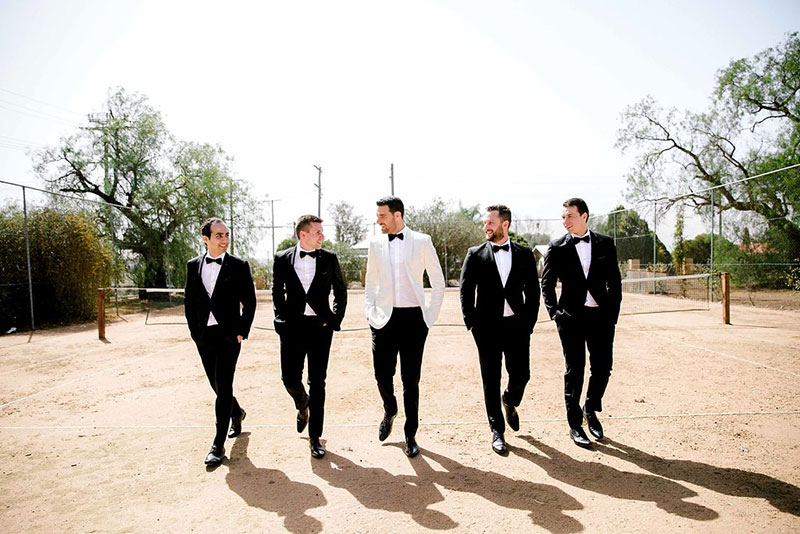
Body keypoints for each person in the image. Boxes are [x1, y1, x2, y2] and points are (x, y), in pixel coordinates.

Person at [365, 196, 445, 458]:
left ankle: (411, 434)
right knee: (381, 375)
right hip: (383, 320)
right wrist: (371, 314)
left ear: (397, 215)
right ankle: (390, 409)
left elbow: (437, 280)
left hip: (414, 320)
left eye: (382, 216)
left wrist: (429, 316)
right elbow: (370, 282)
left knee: (411, 380)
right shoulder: (376, 243)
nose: (378, 221)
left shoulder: (422, 241)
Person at [541, 198, 622, 449]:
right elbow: (547, 282)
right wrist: (555, 312)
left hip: (601, 317)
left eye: (570, 216)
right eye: (563, 217)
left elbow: (614, 282)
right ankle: (575, 424)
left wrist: (612, 315)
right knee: (574, 370)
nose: (565, 221)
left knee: (603, 367)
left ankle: (591, 407)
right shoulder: (556, 247)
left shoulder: (605, 244)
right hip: (571, 318)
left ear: (584, 216)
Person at [459, 205, 540, 455]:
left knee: (522, 375)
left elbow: (533, 293)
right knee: (490, 381)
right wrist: (472, 323)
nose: (486, 227)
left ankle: (510, 401)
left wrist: (528, 323)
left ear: (505, 224)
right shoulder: (475, 254)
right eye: (485, 223)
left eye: (490, 223)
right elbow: (465, 291)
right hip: (486, 329)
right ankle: (497, 431)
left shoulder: (525, 254)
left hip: (517, 326)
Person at [272, 214, 347, 459]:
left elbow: (340, 290)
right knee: (289, 379)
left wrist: (334, 319)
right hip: (292, 328)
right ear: (303, 234)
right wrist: (281, 318)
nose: (322, 237)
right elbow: (276, 291)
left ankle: (315, 437)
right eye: (318, 232)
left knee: (318, 381)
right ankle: (302, 404)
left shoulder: (329, 258)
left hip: (320, 327)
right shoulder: (282, 259)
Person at [184, 217, 257, 466]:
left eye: (226, 235)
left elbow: (250, 301)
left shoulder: (239, 265)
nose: (224, 239)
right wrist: (195, 333)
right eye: (219, 236)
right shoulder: (193, 266)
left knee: (224, 385)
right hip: (204, 336)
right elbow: (190, 303)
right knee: (216, 385)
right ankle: (236, 412)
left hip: (229, 336)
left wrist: (241, 330)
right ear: (206, 239)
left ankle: (218, 444)